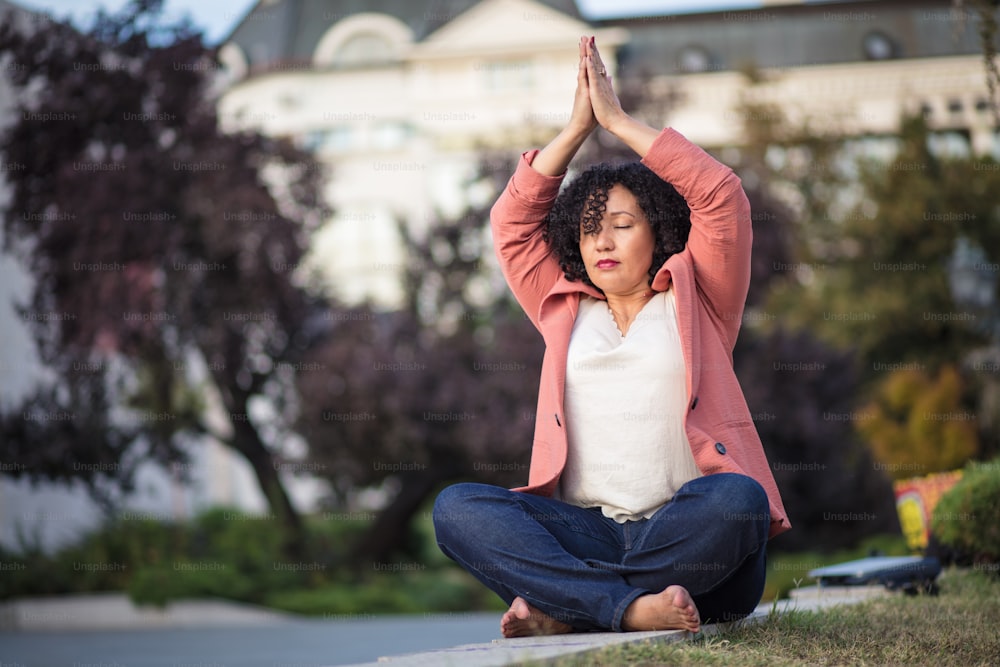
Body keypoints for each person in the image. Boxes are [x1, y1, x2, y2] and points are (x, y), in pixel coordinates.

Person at [432, 36, 790, 638]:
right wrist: (574, 129)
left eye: (622, 226)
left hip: (691, 533)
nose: (602, 241)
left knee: (740, 500)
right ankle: (625, 608)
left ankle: (572, 604)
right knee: (457, 509)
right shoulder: (560, 305)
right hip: (589, 529)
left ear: (660, 234)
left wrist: (616, 121)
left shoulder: (698, 297)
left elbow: (721, 197)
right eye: (591, 229)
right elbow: (513, 224)